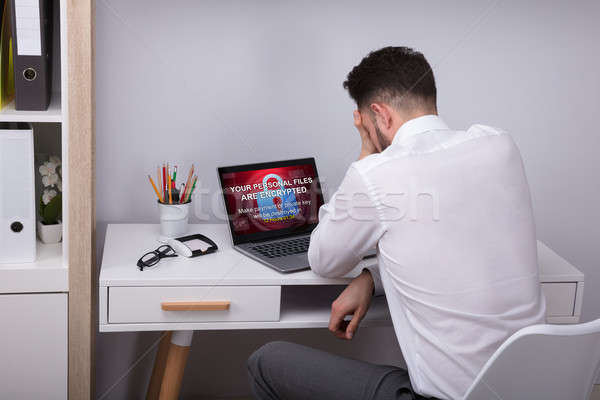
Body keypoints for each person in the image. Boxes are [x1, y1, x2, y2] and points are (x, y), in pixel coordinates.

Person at [247, 46, 546, 400]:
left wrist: (365, 151)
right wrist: (371, 278)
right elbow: (446, 243)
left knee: (266, 361)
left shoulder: (376, 174)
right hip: (537, 388)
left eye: (366, 123)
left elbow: (323, 259)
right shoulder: (500, 144)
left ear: (379, 115)